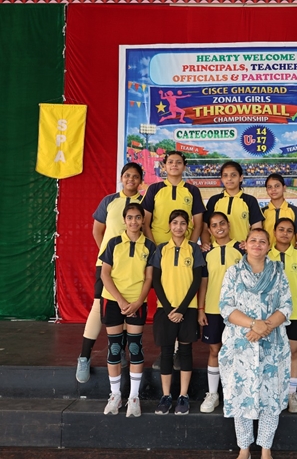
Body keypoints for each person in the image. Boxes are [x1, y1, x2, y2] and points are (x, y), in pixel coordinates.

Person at [219, 228, 292, 459]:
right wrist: (253, 324)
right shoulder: (233, 272)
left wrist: (265, 327)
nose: (257, 245)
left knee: (270, 397)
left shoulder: (278, 272)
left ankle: (266, 450)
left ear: (269, 246)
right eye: (253, 240)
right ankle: (243, 450)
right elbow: (225, 307)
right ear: (245, 244)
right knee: (241, 395)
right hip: (240, 345)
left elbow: (286, 305)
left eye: (262, 241)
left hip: (272, 345)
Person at [76, 162, 144, 384]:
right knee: (99, 307)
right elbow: (97, 230)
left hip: (134, 266)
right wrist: (109, 256)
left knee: (127, 309)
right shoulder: (109, 201)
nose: (130, 179)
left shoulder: (145, 203)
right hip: (108, 265)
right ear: (121, 178)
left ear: (141, 180)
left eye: (135, 176)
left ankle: (120, 352)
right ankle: (84, 356)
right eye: (127, 175)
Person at [98, 203, 155, 417]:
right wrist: (120, 300)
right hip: (113, 300)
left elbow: (149, 277)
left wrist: (138, 302)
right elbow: (105, 274)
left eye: (138, 217)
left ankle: (133, 397)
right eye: (130, 217)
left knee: (134, 348)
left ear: (143, 220)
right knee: (114, 349)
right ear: (124, 220)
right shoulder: (113, 243)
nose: (133, 221)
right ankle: (115, 395)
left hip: (136, 302)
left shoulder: (149, 245)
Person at [150, 209, 205, 415]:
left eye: (183, 223)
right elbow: (156, 280)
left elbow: (197, 281)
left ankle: (183, 395)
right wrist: (167, 308)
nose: (179, 227)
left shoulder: (194, 249)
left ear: (188, 226)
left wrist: (181, 309)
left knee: (185, 352)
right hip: (166, 309)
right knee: (165, 353)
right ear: (169, 226)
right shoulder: (161, 249)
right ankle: (166, 396)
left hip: (187, 310)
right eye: (175, 223)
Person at [197, 211, 245, 413]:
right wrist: (201, 309)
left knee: (237, 352)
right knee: (215, 350)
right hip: (213, 309)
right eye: (214, 225)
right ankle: (213, 394)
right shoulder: (206, 252)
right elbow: (203, 283)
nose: (219, 228)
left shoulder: (241, 250)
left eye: (222, 224)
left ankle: (235, 393)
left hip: (237, 311)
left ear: (229, 225)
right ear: (209, 230)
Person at [268, 217, 297, 414]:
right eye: (281, 229)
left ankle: (291, 393)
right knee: (272, 353)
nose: (285, 233)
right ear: (274, 232)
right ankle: (273, 392)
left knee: (293, 352)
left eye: (289, 230)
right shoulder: (266, 255)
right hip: (271, 314)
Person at [142, 151, 205, 245]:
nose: (174, 165)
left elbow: (198, 225)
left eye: (179, 162)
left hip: (184, 247)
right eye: (170, 162)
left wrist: (191, 246)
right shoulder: (154, 189)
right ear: (164, 166)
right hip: (158, 246)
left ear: (184, 167)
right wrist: (152, 248)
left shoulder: (193, 190)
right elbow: (145, 223)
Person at [202, 161, 264, 248]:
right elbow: (205, 228)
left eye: (233, 175)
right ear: (221, 179)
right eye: (225, 175)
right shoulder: (214, 200)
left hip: (241, 252)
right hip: (217, 251)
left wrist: (248, 243)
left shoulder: (250, 201)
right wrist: (205, 243)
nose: (229, 179)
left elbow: (257, 229)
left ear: (241, 178)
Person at [262, 173, 297, 249]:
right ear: (266, 190)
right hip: (268, 257)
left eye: (277, 186)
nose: (273, 189)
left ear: (284, 188)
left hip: (289, 257)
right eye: (269, 187)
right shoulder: (262, 212)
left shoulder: (294, 211)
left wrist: (296, 256)